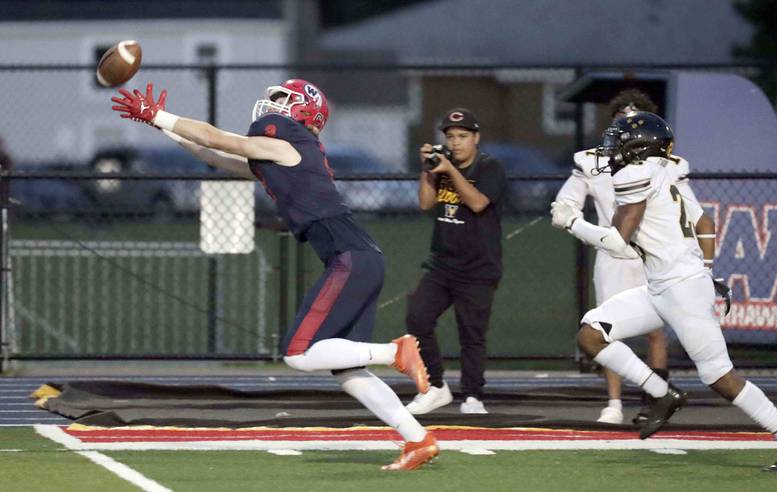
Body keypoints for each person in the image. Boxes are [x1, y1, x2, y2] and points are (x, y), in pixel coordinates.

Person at [111, 80, 439, 471]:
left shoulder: (288, 142)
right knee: (347, 369)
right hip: (358, 256)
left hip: (349, 256)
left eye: (284, 99)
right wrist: (160, 126)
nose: (271, 103)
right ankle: (418, 439)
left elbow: (220, 138)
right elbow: (214, 155)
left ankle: (394, 352)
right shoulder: (285, 152)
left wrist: (160, 114)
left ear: (304, 113)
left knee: (298, 354)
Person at [551, 111, 777, 472]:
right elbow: (703, 221)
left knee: (719, 376)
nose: (612, 149)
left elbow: (618, 243)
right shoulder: (667, 172)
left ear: (639, 147)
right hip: (661, 285)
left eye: (620, 140)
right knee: (591, 334)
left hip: (681, 289)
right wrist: (706, 269)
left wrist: (573, 223)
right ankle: (662, 393)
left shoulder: (637, 173)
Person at [556, 89, 706, 425]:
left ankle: (655, 399)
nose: (625, 128)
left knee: (656, 332)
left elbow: (697, 217)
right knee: (606, 329)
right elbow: (568, 200)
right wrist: (567, 211)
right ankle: (614, 401)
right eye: (620, 121)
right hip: (613, 257)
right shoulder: (592, 163)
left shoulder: (666, 166)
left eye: (633, 120)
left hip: (650, 257)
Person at [404, 108, 507, 415]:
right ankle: (436, 386)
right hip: (442, 264)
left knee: (471, 334)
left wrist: (449, 170)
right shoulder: (441, 164)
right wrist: (427, 169)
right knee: (418, 319)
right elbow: (425, 203)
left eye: (463, 136)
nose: (457, 142)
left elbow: (477, 203)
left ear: (476, 138)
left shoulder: (491, 167)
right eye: (450, 137)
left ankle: (473, 395)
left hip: (478, 267)